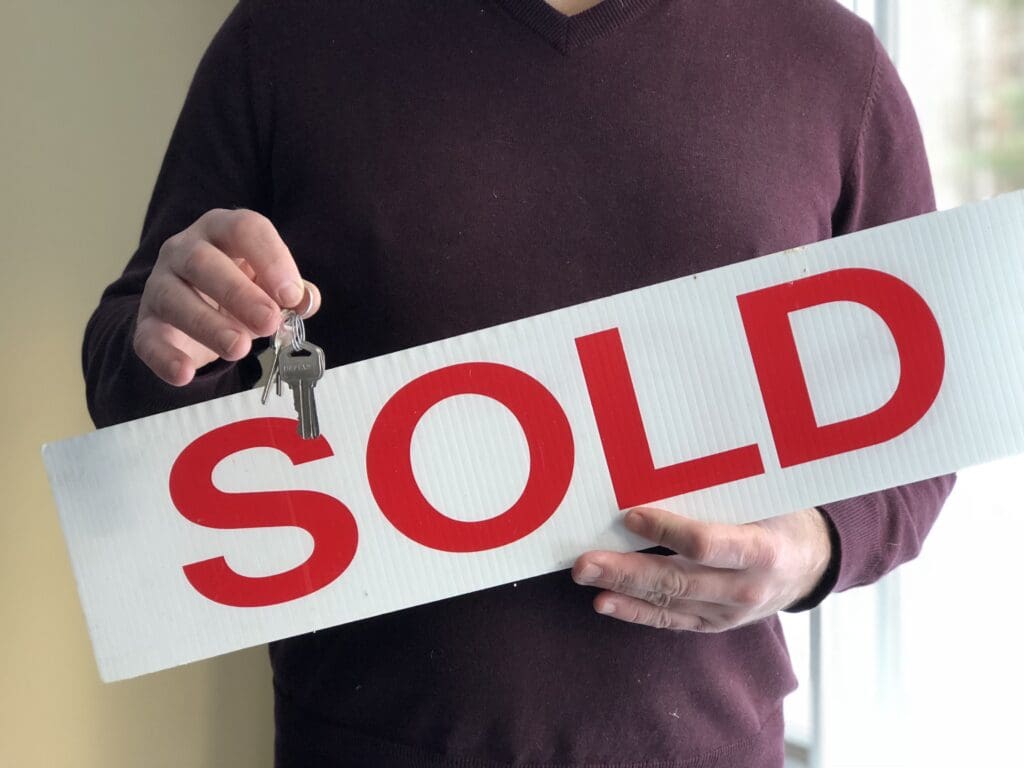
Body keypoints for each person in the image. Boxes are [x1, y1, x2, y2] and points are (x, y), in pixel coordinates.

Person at [83, 1, 955, 765]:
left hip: (708, 744)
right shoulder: (285, 34)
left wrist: (816, 549)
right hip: (359, 741)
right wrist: (171, 335)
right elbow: (132, 368)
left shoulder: (833, 61)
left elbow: (928, 410)